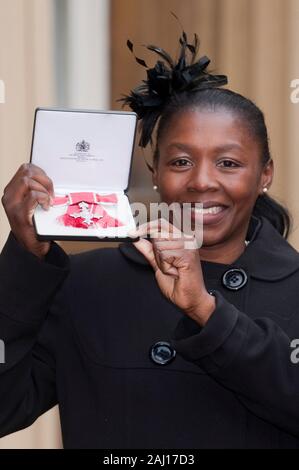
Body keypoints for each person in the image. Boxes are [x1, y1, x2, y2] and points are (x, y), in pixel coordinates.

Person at [0, 30, 299, 449]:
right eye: (180, 161)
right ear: (155, 173)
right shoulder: (88, 284)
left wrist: (207, 313)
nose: (201, 181)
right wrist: (25, 261)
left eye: (228, 163)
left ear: (264, 174)